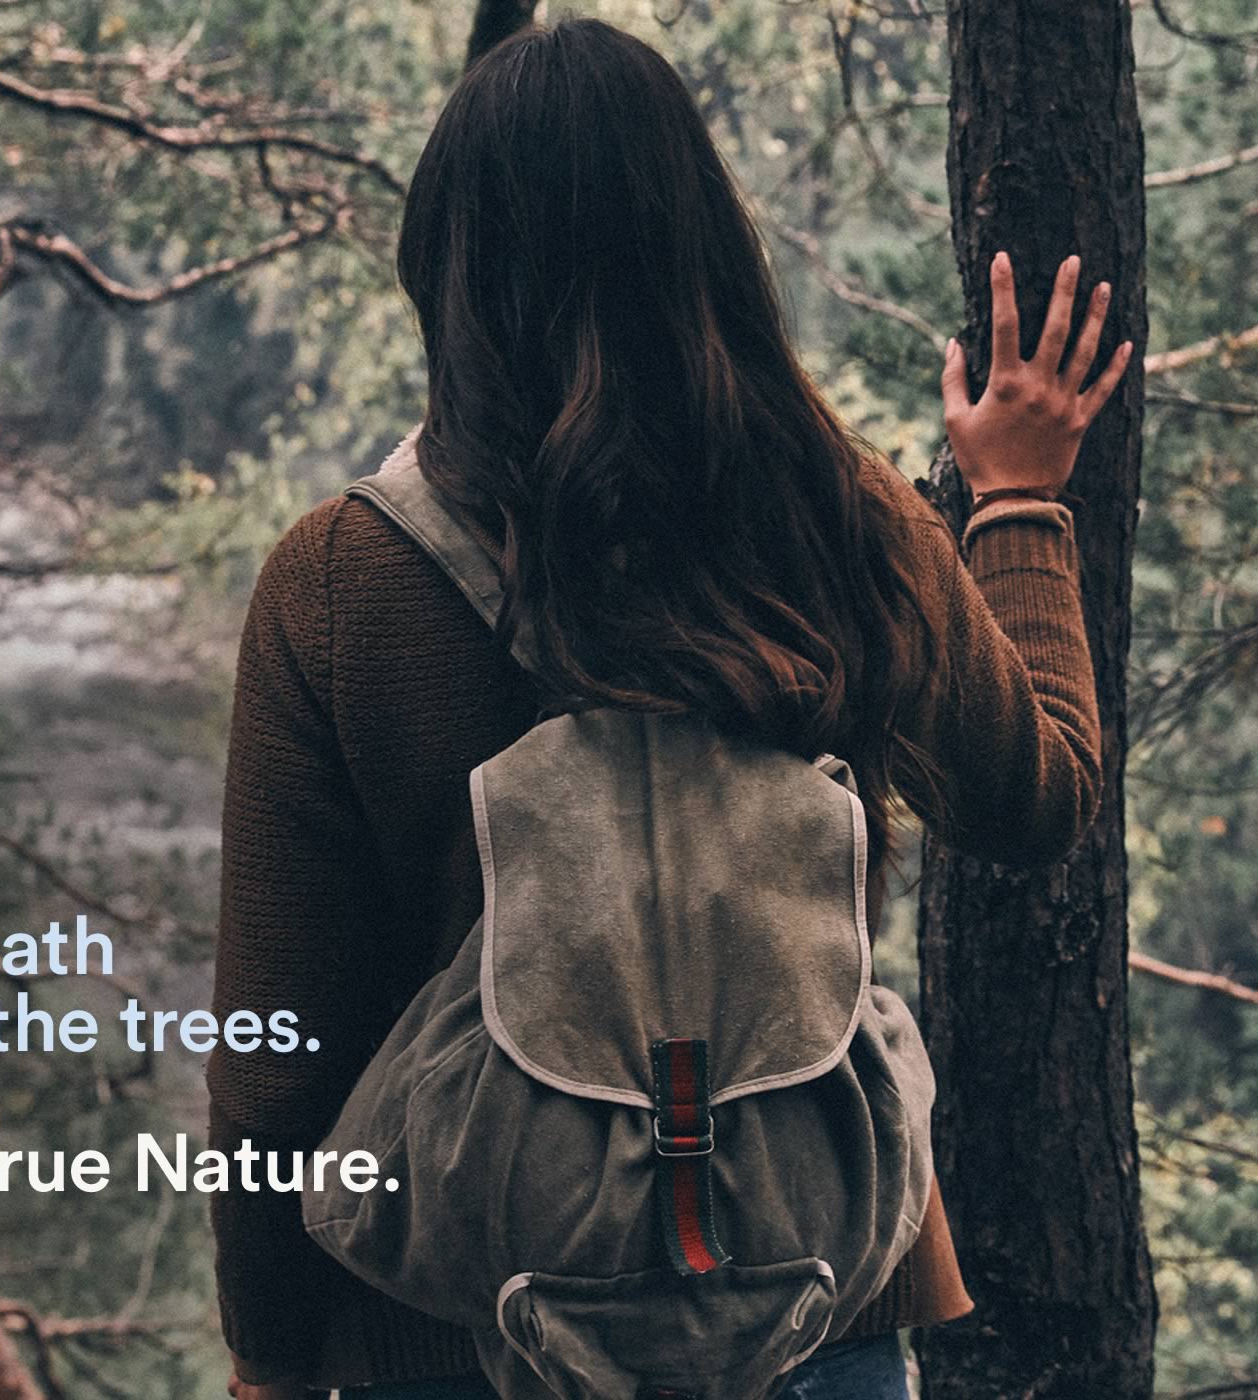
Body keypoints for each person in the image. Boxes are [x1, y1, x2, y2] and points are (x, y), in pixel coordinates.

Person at [207, 17, 1129, 1400]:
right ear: (702, 245)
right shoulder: (837, 518)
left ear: (446, 270)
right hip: (815, 1301)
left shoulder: (343, 581)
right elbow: (1036, 797)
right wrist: (1014, 500)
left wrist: (272, 1356)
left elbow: (275, 1064)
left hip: (466, 1330)